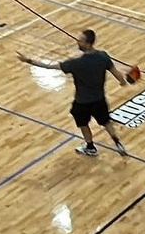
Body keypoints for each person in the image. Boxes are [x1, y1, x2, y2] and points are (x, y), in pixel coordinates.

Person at [17, 29, 129, 157]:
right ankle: (118, 143)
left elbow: (49, 67)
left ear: (88, 44)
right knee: (106, 121)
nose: (78, 42)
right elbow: (117, 73)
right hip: (99, 100)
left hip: (82, 102)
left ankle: (90, 147)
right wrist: (123, 82)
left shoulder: (76, 64)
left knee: (83, 124)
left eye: (80, 41)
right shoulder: (103, 56)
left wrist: (28, 60)